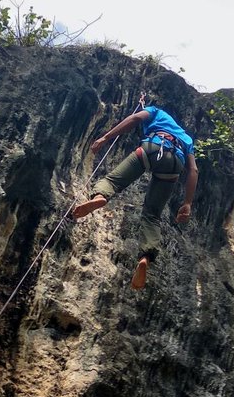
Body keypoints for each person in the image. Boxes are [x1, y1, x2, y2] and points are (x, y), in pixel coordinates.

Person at [72, 104, 198, 289]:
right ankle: (145, 257)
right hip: (174, 164)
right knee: (152, 215)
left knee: (113, 182)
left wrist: (106, 137)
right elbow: (193, 170)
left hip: (153, 147)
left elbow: (135, 119)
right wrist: (187, 203)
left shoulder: (156, 112)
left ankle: (101, 197)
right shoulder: (186, 138)